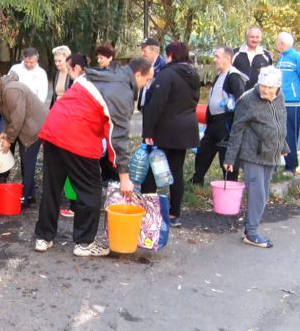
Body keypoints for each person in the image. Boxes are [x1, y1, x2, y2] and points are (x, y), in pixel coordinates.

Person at [33, 58, 153, 256]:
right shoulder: (122, 91)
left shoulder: (102, 75)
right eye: (147, 80)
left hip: (53, 129)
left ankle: (43, 237)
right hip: (78, 136)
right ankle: (84, 243)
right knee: (90, 191)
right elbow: (118, 137)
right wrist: (124, 177)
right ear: (138, 74)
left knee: (52, 187)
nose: (146, 84)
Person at [223, 66, 288, 248]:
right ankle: (251, 233)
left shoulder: (280, 97)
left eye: (270, 87)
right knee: (258, 194)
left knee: (263, 194)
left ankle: (251, 229)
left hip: (271, 153)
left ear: (278, 86)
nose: (265, 90)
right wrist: (229, 159)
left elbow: (280, 122)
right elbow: (237, 130)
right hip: (252, 153)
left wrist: (283, 144)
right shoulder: (248, 100)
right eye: (263, 86)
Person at [141, 41, 200, 228]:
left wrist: (148, 131)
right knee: (176, 171)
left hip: (165, 130)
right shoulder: (193, 75)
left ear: (171, 55)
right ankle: (175, 213)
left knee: (151, 169)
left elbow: (156, 105)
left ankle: (147, 209)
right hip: (185, 130)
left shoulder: (167, 75)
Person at [0, 68, 47, 207]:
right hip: (28, 125)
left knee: (27, 161)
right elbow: (8, 116)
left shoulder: (11, 90)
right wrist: (5, 132)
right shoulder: (3, 90)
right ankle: (30, 195)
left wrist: (9, 140)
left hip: (34, 127)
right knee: (25, 159)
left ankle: (26, 197)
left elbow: (18, 118)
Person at [191, 46, 248, 185]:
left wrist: (234, 120)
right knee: (204, 150)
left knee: (226, 153)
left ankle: (230, 183)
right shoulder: (220, 75)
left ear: (228, 58)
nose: (214, 59)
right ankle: (197, 179)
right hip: (213, 122)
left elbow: (241, 101)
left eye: (217, 56)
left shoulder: (233, 76)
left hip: (226, 123)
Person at [57, 53, 89, 218]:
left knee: (75, 174)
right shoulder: (87, 83)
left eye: (69, 69)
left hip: (78, 137)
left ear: (76, 68)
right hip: (81, 137)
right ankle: (78, 205)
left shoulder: (81, 86)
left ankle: (76, 207)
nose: (68, 73)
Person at [274, 32, 300, 176]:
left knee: (290, 135)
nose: (276, 44)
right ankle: (276, 162)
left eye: (277, 42)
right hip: (279, 102)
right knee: (277, 133)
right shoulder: (281, 58)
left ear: (282, 43)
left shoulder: (298, 58)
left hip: (293, 104)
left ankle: (291, 166)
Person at [138, 37, 166, 110]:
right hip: (145, 107)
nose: (142, 54)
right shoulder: (145, 64)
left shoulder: (164, 67)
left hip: (155, 109)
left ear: (154, 51)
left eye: (144, 51)